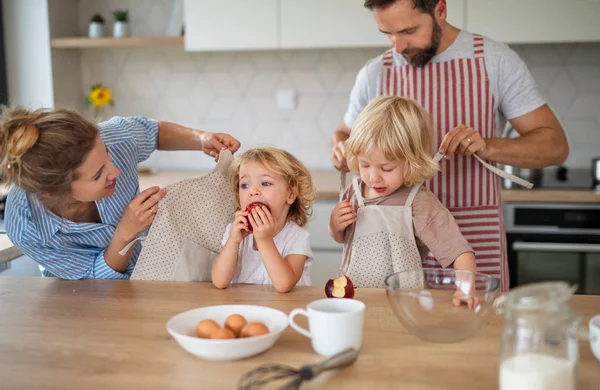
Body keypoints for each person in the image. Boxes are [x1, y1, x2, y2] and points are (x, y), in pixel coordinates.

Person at [330, 0, 569, 291]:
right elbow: (344, 134)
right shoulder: (375, 73)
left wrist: (487, 147)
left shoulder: (493, 60)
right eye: (387, 33)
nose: (398, 46)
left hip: (472, 239)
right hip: (392, 241)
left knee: (475, 326)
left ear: (440, 10)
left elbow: (555, 146)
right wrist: (344, 149)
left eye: (408, 30)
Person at [0, 106, 240, 280]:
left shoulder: (113, 137)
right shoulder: (26, 228)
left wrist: (201, 139)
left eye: (106, 153)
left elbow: (153, 132)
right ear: (52, 193)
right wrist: (125, 232)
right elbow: (94, 280)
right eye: (97, 175)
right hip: (83, 302)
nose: (115, 171)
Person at [330, 96, 478, 306]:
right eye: (364, 165)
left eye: (386, 168)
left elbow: (458, 251)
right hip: (354, 300)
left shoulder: (418, 203)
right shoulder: (355, 191)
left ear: (413, 162)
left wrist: (465, 289)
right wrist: (334, 225)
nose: (373, 178)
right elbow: (342, 238)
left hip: (403, 304)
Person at [212, 146, 315, 293]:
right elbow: (219, 281)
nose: (253, 191)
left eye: (265, 183)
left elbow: (284, 284)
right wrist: (233, 242)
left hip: (285, 310)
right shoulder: (234, 232)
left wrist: (264, 240)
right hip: (245, 309)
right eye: (245, 185)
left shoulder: (297, 237)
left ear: (290, 195)